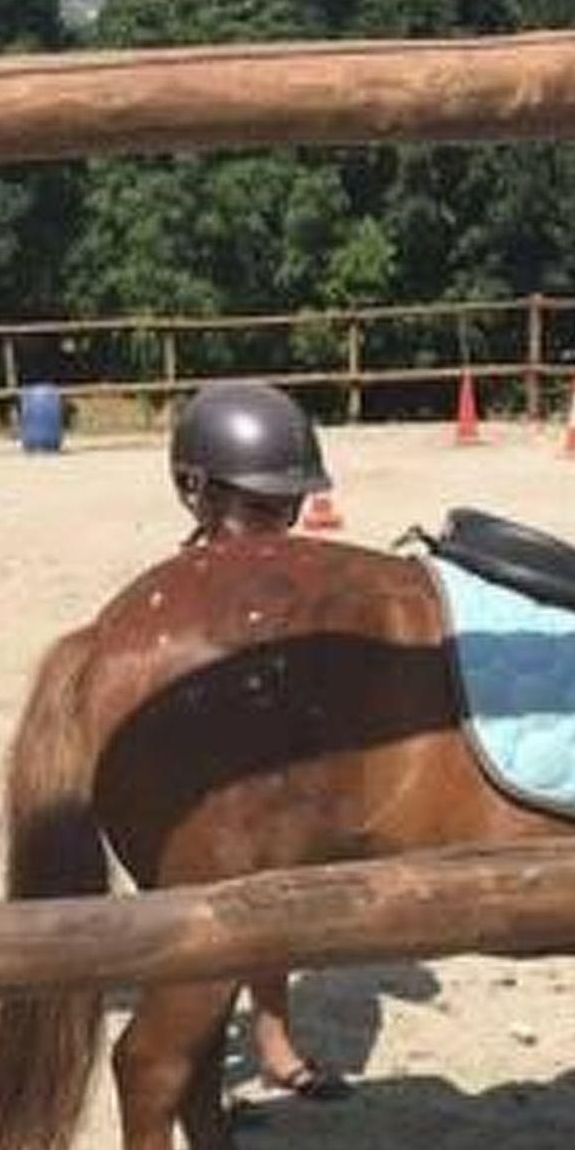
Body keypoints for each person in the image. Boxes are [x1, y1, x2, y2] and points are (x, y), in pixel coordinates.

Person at [170, 380, 350, 1102]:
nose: (278, 530)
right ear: (200, 496)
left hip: (274, 777)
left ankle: (276, 1043)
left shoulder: (287, 580)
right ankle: (203, 1072)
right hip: (209, 788)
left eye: (289, 510)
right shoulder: (180, 593)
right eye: (259, 511)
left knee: (277, 919)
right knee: (202, 935)